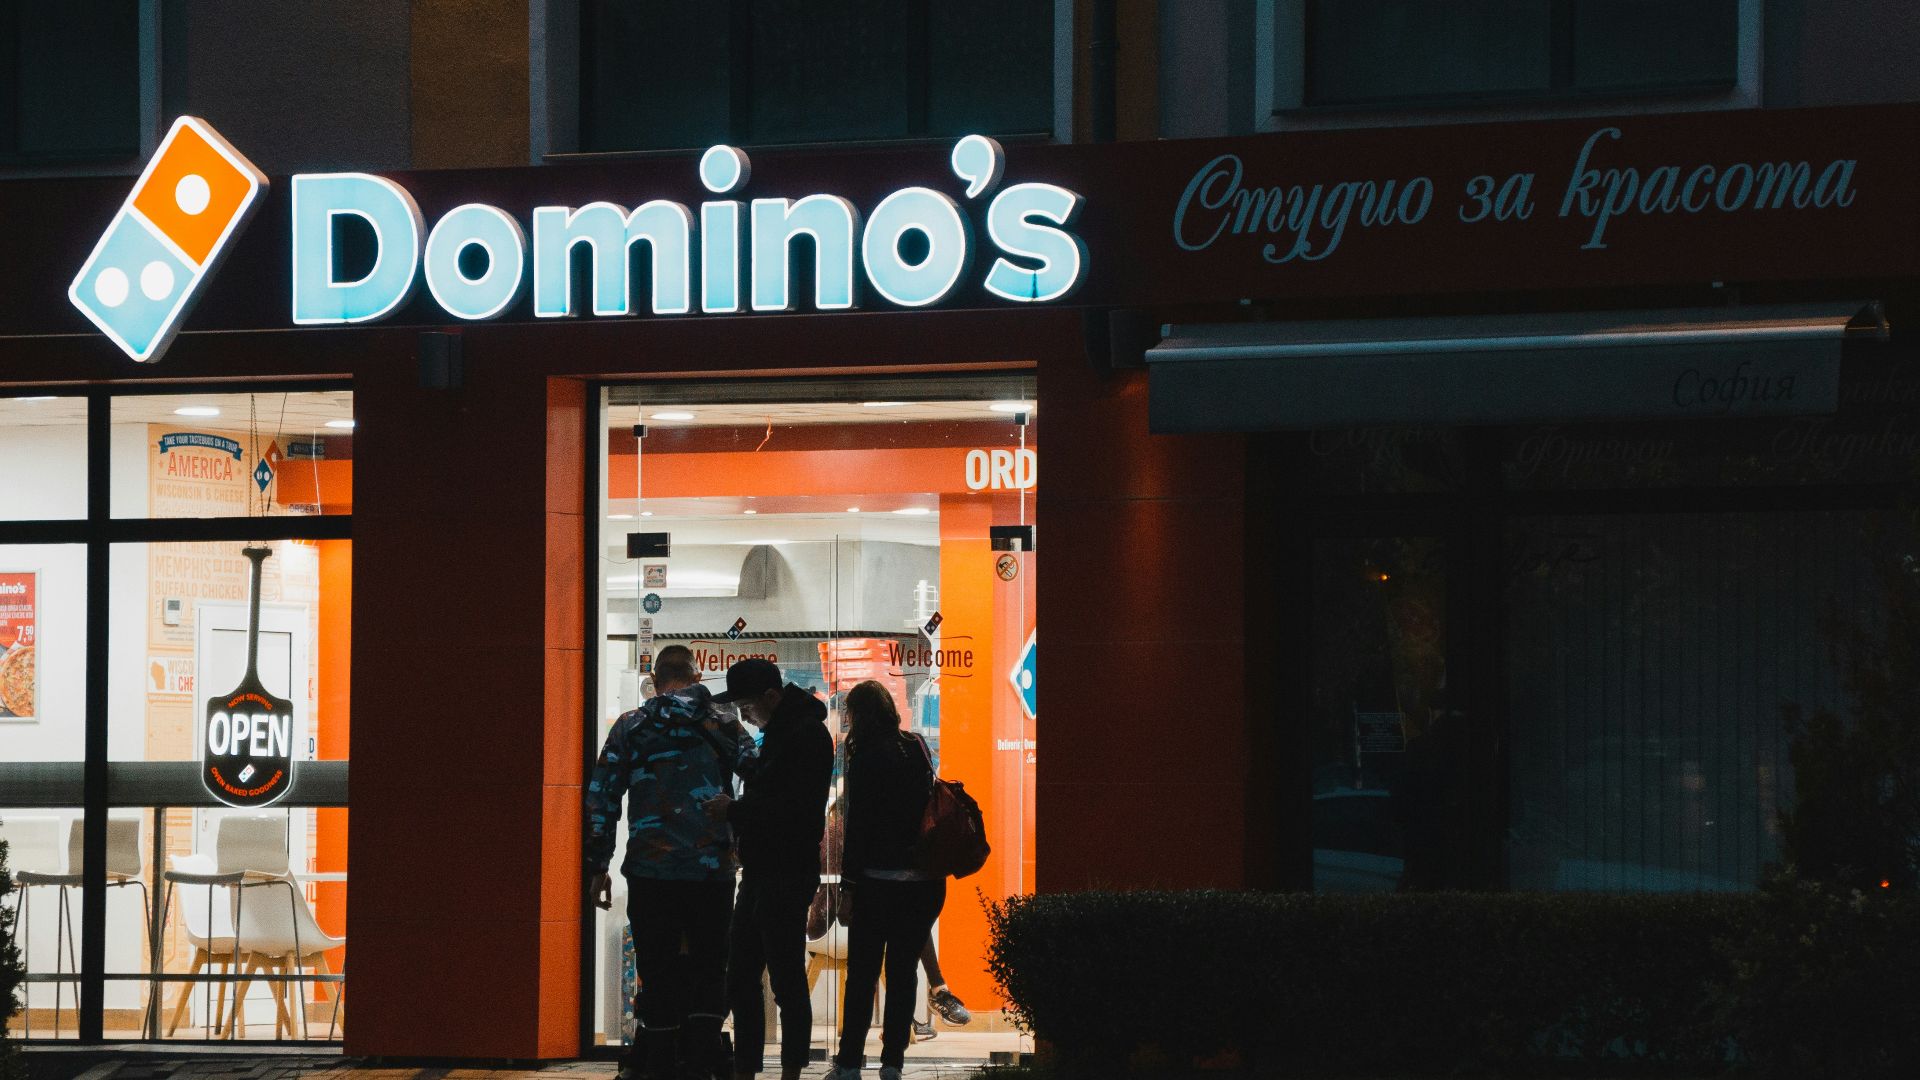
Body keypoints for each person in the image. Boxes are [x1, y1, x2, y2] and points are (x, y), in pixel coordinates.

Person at [588, 645, 749, 1080]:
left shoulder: (632, 726)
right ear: (697, 678)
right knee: (710, 965)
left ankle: (659, 1062)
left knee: (657, 969)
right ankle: (704, 1061)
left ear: (655, 681)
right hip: (711, 872)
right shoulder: (725, 724)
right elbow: (764, 780)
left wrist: (598, 865)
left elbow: (602, 797)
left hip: (650, 872)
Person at [699, 658, 834, 1080]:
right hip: (760, 872)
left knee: (786, 980)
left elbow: (794, 808)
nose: (745, 716)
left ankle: (790, 1070)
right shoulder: (781, 733)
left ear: (771, 698)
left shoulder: (805, 736)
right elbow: (768, 782)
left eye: (746, 708)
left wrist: (733, 810)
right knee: (741, 976)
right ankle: (746, 1068)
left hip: (785, 873)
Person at [829, 681, 947, 1080]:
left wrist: (848, 888)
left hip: (877, 884)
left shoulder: (864, 757)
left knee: (862, 975)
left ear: (860, 715)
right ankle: (893, 1063)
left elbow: (858, 829)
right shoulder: (914, 747)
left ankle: (848, 1063)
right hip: (921, 883)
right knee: (901, 975)